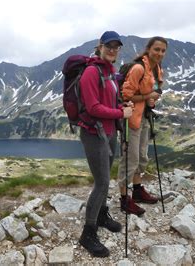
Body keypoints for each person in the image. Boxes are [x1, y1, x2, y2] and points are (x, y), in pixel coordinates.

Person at [78, 30, 133, 258]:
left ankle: (101, 215)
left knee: (106, 179)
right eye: (108, 45)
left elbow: (109, 102)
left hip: (109, 133)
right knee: (101, 182)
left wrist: (121, 106)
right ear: (99, 46)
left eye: (116, 46)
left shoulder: (109, 72)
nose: (112, 50)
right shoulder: (91, 72)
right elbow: (93, 108)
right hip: (94, 134)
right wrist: (121, 113)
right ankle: (88, 233)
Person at [117, 36, 167, 216]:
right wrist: (148, 97)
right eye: (156, 49)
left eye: (162, 50)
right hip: (131, 120)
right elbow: (125, 96)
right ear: (148, 49)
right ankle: (124, 200)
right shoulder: (139, 68)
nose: (159, 53)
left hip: (144, 117)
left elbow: (148, 94)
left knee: (142, 157)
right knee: (130, 160)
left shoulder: (156, 69)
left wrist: (150, 101)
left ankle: (137, 191)